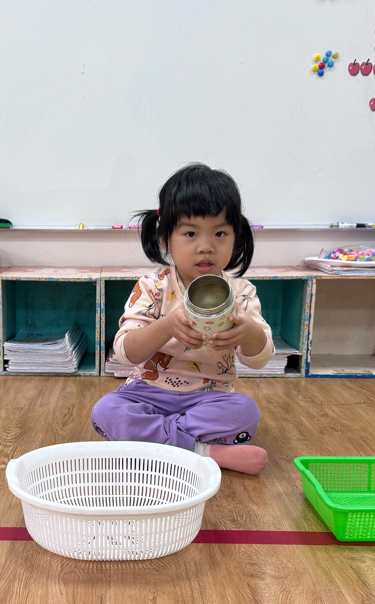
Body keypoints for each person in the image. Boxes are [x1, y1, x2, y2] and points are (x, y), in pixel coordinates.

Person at [91, 163, 273, 474]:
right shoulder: (153, 287)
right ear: (165, 239)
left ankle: (151, 443)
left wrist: (249, 333)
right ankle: (204, 451)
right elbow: (125, 353)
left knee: (246, 412)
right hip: (147, 394)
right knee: (106, 411)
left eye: (220, 233)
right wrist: (165, 326)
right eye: (190, 233)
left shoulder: (241, 293)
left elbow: (260, 359)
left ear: (236, 237)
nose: (206, 246)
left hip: (209, 399)